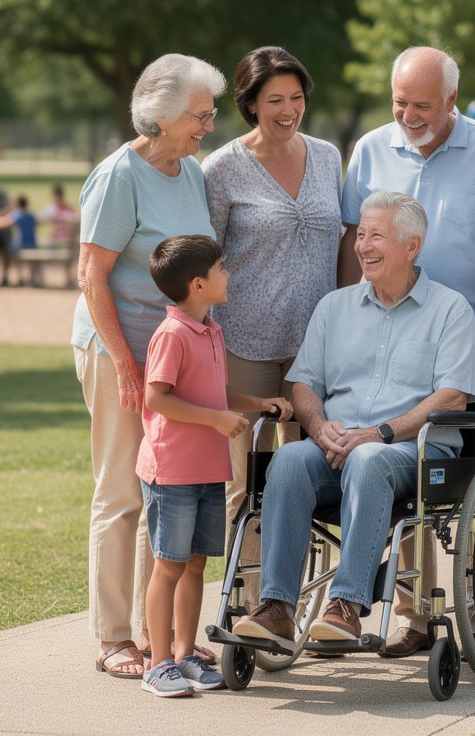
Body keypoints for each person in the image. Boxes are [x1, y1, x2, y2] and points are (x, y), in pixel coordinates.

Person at [231, 191, 475, 650]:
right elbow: (303, 382)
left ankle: (345, 605)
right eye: (360, 234)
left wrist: (379, 433)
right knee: (288, 460)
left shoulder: (450, 309)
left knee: (368, 459)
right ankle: (277, 607)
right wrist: (318, 425)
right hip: (336, 447)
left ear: (412, 245)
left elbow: (453, 395)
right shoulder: (334, 307)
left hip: (412, 453)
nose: (363, 246)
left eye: (376, 236)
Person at [339, 46, 475, 657]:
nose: (409, 115)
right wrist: (345, 311)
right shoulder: (371, 148)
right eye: (400, 103)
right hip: (385, 332)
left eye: (422, 105)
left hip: (463, 337)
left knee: (465, 474)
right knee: (402, 465)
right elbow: (352, 239)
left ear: (451, 100)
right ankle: (414, 615)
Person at [73, 53, 226, 682]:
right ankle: (113, 636)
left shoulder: (188, 172)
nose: (209, 127)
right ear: (160, 117)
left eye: (211, 114)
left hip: (171, 351)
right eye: (199, 116)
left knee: (162, 487)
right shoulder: (119, 175)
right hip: (118, 348)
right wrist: (123, 363)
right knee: (121, 490)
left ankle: (152, 634)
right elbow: (91, 274)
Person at [201, 47, 345, 610]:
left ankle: (299, 604)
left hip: (316, 346)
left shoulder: (328, 157)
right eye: (275, 100)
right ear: (251, 105)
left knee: (310, 477)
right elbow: (207, 258)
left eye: (297, 97)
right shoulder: (222, 169)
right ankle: (249, 606)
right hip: (245, 344)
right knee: (247, 482)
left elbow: (341, 242)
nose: (289, 110)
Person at [138, 234, 292, 697]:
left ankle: (185, 656)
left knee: (195, 565)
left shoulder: (211, 330)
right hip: (172, 472)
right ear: (198, 284)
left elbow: (214, 392)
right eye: (222, 268)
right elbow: (156, 397)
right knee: (169, 566)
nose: (229, 274)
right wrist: (216, 420)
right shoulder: (172, 334)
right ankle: (158, 663)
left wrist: (256, 403)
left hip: (208, 469)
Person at [39, 183, 80, 285]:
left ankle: (69, 278)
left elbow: (77, 223)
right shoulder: (51, 208)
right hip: (55, 239)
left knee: (70, 249)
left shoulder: (67, 209)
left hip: (65, 239)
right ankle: (40, 278)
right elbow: (39, 220)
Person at [9, 195, 40, 286]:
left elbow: (5, 222)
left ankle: (20, 277)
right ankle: (31, 278)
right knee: (31, 262)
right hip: (32, 244)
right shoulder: (31, 215)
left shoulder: (16, 215)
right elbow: (38, 223)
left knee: (11, 249)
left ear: (17, 204)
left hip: (20, 246)